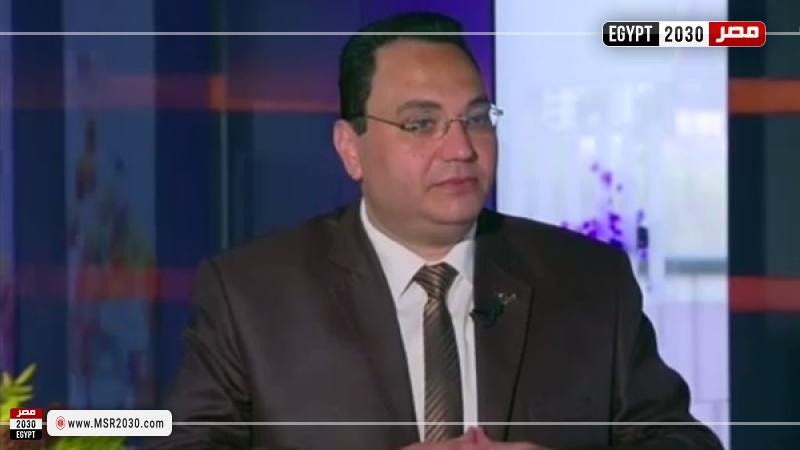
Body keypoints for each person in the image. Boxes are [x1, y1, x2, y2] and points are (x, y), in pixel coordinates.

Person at [154, 12, 723, 450]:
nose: (460, 148)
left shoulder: (589, 281)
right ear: (350, 149)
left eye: (476, 119)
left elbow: (682, 442)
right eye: (421, 123)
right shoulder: (251, 296)